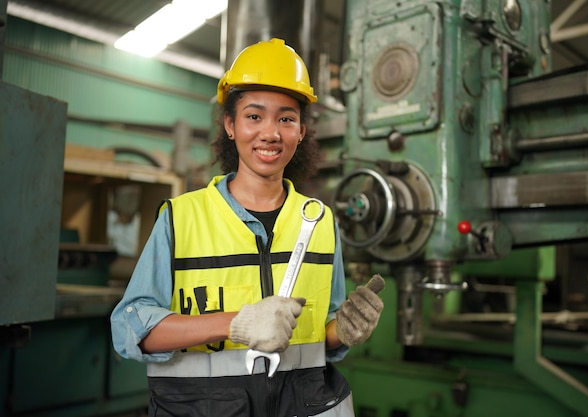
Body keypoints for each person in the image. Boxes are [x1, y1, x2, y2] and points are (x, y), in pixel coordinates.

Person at [110, 37, 384, 417]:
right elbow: (131, 331)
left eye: (286, 118)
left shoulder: (320, 221)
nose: (270, 133)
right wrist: (235, 324)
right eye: (254, 116)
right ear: (230, 125)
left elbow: (317, 333)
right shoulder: (181, 217)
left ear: (302, 130)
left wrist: (345, 329)